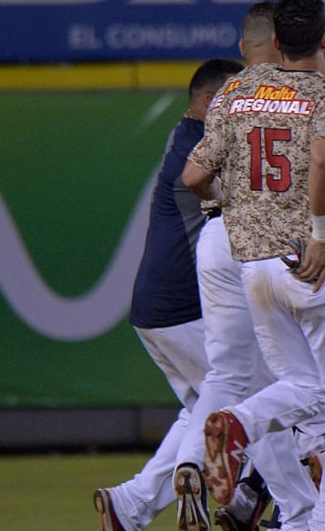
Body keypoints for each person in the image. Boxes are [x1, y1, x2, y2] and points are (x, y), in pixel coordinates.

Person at [181, 0, 325, 531]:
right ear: (324, 39)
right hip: (310, 262)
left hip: (254, 269)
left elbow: (194, 177)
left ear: (274, 41)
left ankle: (238, 420)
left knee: (304, 387)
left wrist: (247, 201)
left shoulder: (233, 94)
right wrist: (320, 234)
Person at [173, 0, 325, 531]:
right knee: (320, 380)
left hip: (222, 235)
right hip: (280, 242)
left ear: (247, 48)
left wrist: (229, 195)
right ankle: (324, 461)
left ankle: (214, 471)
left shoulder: (232, 96)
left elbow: (193, 179)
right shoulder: (306, 94)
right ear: (290, 45)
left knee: (239, 376)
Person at [94, 58, 245, 531]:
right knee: (251, 403)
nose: (242, 111)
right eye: (234, 101)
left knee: (202, 411)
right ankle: (253, 505)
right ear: (207, 102)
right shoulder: (199, 147)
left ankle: (130, 504)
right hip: (182, 309)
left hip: (159, 309)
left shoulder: (189, 137)